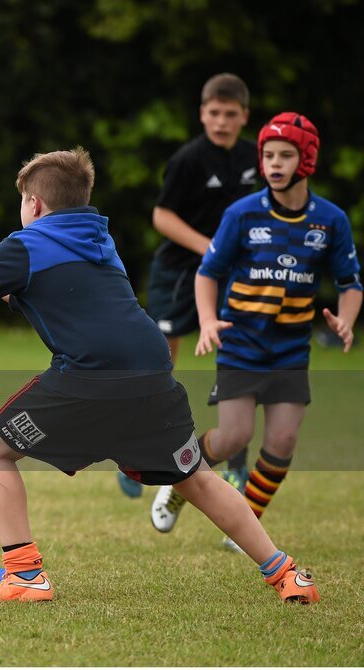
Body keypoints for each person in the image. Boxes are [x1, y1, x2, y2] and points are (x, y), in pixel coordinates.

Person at [0, 147, 319, 604]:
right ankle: (286, 574)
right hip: (155, 374)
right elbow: (66, 296)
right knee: (195, 477)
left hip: (90, 378)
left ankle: (24, 577)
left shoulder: (26, 244)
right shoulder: (100, 240)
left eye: (22, 202)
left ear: (34, 205)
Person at [149, 112, 361, 546]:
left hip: (290, 349)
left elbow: (350, 283)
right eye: (267, 155)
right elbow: (207, 273)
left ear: (307, 160)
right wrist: (207, 321)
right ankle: (178, 483)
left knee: (282, 440)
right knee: (233, 437)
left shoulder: (330, 221)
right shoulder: (242, 214)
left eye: (285, 155)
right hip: (242, 342)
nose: (274, 163)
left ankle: (247, 521)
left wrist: (346, 318)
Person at [121, 73, 259, 499]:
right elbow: (162, 217)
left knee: (240, 359)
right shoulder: (188, 160)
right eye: (213, 113)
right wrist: (212, 248)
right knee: (161, 363)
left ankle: (236, 463)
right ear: (202, 114)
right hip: (180, 274)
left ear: (244, 117)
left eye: (230, 114)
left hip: (235, 277)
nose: (221, 121)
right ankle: (136, 452)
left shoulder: (257, 158)